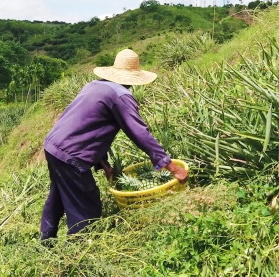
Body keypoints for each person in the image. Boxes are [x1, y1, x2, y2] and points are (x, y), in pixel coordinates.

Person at [40, 49, 188, 241]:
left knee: (60, 193)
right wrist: (172, 167)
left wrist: (104, 164)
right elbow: (140, 134)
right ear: (133, 78)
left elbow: (88, 127)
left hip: (53, 146)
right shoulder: (121, 96)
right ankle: (77, 251)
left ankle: (46, 241)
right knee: (86, 204)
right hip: (73, 154)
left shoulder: (94, 86)